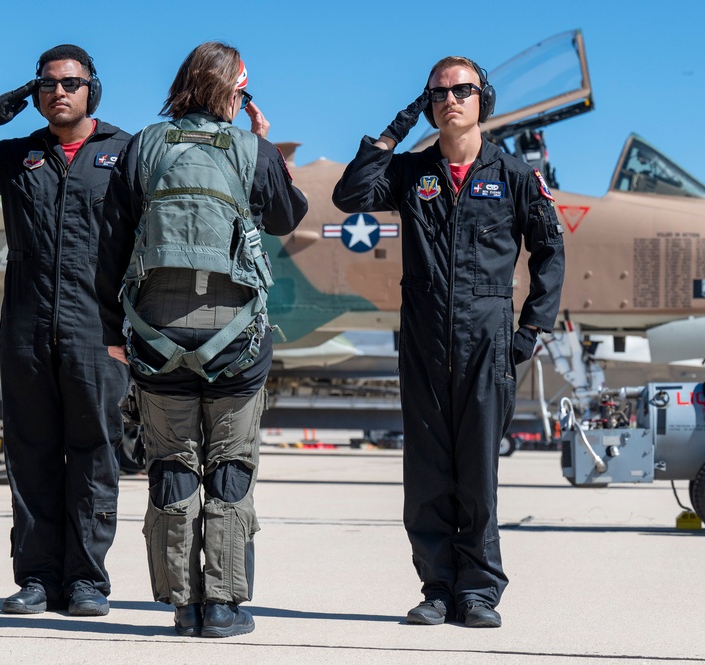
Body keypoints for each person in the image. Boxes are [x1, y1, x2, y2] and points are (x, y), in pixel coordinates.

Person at [332, 56, 565, 628]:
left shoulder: (513, 176)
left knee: (478, 471)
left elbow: (550, 252)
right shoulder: (412, 172)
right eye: (437, 93)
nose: (450, 100)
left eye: (462, 90)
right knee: (428, 473)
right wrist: (396, 127)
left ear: (483, 97)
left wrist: (530, 329)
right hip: (424, 338)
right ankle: (437, 587)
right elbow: (350, 194)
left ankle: (478, 592)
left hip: (488, 339)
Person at [98, 42, 308, 638]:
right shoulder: (251, 148)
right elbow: (287, 216)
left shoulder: (144, 146)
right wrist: (266, 144)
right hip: (235, 341)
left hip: (155, 338)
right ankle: (222, 605)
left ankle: (182, 603)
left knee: (171, 464)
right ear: (236, 94)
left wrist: (116, 333)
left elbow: (112, 243)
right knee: (231, 467)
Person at [0, 44, 130, 617]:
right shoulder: (18, 155)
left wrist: (133, 331)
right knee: (31, 455)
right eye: (46, 84)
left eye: (69, 83)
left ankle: (88, 580)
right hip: (26, 331)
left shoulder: (127, 153)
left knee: (95, 457)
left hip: (98, 333)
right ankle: (38, 578)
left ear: (92, 88)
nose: (58, 92)